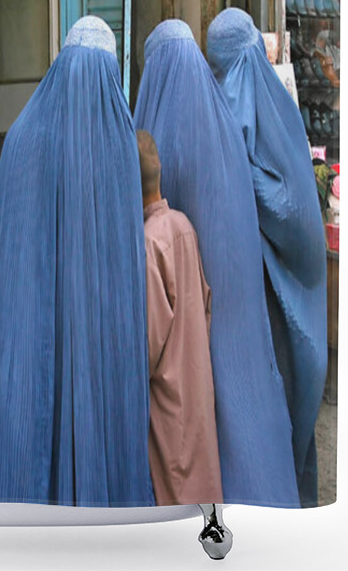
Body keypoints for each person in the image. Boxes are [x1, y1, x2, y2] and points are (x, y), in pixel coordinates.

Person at [0, 16, 154, 507]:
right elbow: (123, 266)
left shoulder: (25, 137)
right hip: (96, 346)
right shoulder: (117, 142)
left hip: (24, 338)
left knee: (24, 448)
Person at [134, 19, 299, 507]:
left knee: (195, 440)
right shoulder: (226, 124)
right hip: (233, 310)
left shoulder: (154, 134)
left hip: (182, 326)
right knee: (245, 426)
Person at [206, 7, 327, 507]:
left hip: (281, 301)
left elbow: (294, 212)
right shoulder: (242, 111)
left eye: (225, 72)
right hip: (249, 303)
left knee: (287, 408)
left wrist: (241, 176)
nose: (224, 85)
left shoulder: (275, 116)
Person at [137, 129, 223, 506]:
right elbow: (205, 304)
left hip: (168, 401)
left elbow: (148, 344)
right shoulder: (183, 226)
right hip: (196, 386)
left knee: (175, 496)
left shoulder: (147, 242)